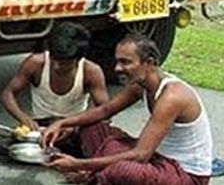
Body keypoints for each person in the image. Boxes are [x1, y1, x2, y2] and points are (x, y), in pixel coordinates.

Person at [43, 36, 213, 185]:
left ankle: (94, 175)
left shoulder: (172, 97)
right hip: (156, 158)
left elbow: (141, 155)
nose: (117, 68)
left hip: (185, 174)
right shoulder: (141, 84)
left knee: (122, 170)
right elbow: (105, 111)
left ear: (150, 63)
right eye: (117, 61)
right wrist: (63, 122)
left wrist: (79, 164)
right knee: (92, 128)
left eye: (126, 62)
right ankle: (97, 173)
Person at [0, 22, 109, 156]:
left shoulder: (91, 71)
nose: (57, 66)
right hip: (41, 126)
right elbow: (8, 94)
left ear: (78, 59)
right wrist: (24, 118)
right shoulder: (35, 63)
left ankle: (48, 153)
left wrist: (73, 126)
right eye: (54, 60)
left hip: (72, 128)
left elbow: (104, 109)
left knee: (100, 142)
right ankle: (54, 153)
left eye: (64, 63)